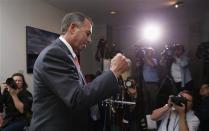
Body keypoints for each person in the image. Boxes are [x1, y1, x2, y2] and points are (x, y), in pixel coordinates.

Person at [29, 12, 129, 131]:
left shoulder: (67, 55)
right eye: (88, 34)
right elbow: (77, 98)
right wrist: (114, 72)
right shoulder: (54, 54)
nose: (90, 40)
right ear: (72, 28)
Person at [142, 47, 159, 114]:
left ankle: (154, 117)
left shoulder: (154, 60)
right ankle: (147, 117)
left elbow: (152, 65)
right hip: (145, 83)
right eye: (147, 51)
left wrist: (145, 56)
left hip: (153, 84)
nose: (147, 53)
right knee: (146, 101)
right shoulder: (143, 60)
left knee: (153, 102)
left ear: (152, 53)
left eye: (149, 51)